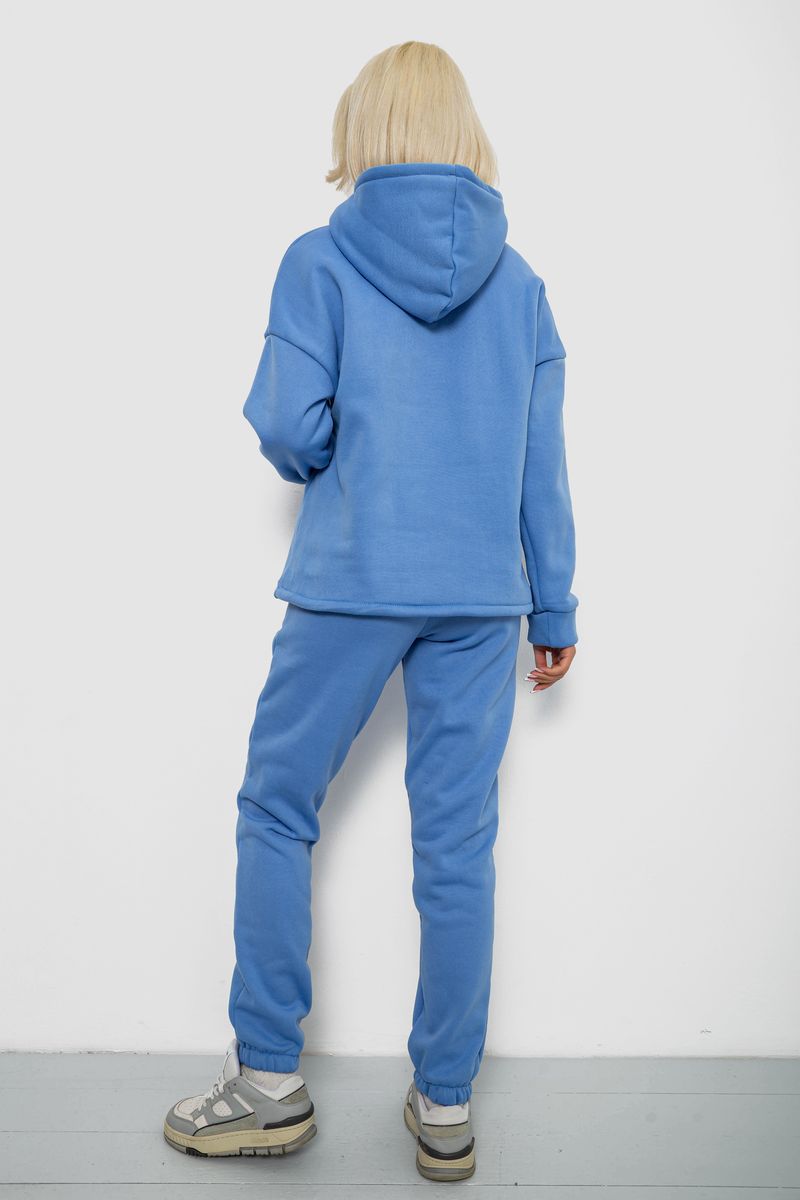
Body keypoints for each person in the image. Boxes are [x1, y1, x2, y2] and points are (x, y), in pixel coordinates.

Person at [164, 40, 579, 1182]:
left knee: (275, 805)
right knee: (457, 846)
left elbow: (289, 425)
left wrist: (350, 457)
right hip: (482, 601)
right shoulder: (522, 286)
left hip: (350, 581)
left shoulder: (319, 259)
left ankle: (267, 1083)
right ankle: (444, 1103)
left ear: (365, 129)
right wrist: (552, 605)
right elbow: (539, 465)